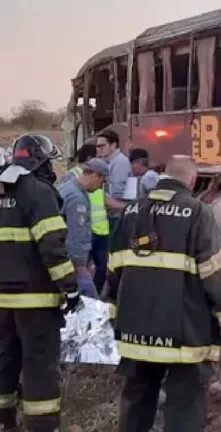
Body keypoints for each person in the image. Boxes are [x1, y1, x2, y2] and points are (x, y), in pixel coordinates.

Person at [107, 155, 221, 432]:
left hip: (135, 332)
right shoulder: (197, 212)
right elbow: (215, 273)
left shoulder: (130, 212)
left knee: (137, 399)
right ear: (192, 180)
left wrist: (114, 320)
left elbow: (113, 273)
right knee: (184, 404)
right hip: (184, 334)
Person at [0, 134, 81, 432]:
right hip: (34, 300)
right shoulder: (39, 192)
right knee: (38, 365)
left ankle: (5, 422)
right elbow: (52, 247)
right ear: (39, 161)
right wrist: (70, 287)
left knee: (4, 361)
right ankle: (42, 425)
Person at [61, 144, 112, 294]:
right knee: (90, 304)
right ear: (95, 175)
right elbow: (76, 235)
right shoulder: (77, 199)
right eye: (102, 182)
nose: (101, 186)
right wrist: (81, 266)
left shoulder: (68, 189)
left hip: (65, 260)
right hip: (74, 264)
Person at [95, 129, 131, 230]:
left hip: (117, 215)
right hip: (110, 213)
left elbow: (117, 191)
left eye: (102, 146)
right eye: (97, 146)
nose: (99, 149)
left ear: (113, 145)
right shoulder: (106, 161)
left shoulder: (120, 162)